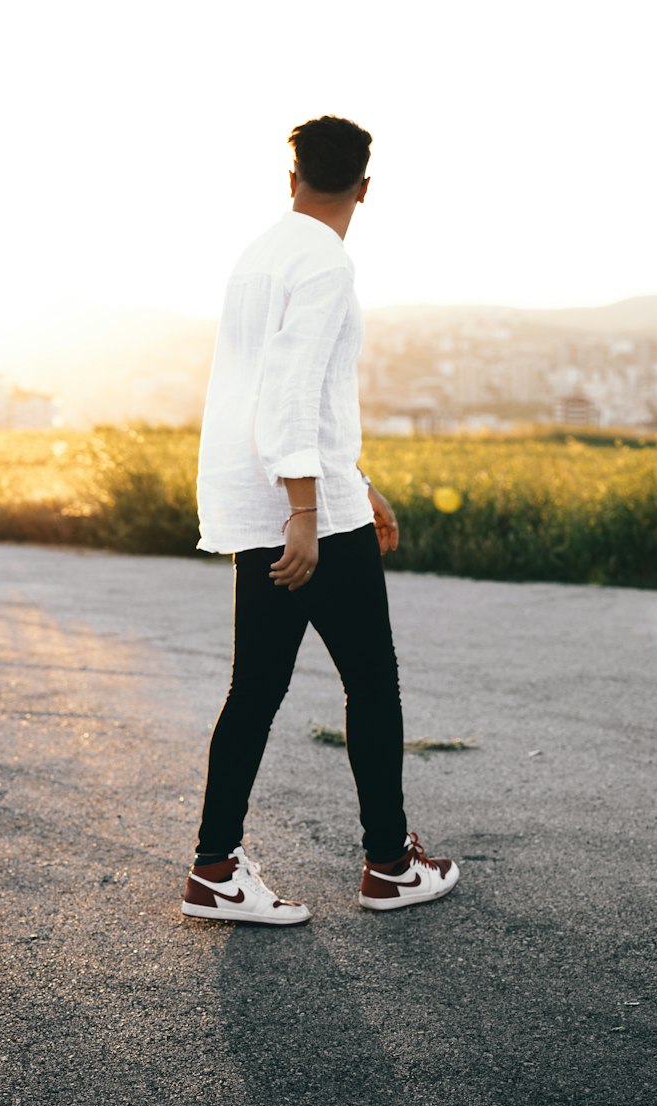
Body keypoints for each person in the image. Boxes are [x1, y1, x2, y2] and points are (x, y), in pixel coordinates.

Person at [182, 115, 459, 927]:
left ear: (291, 177)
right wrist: (308, 509)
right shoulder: (328, 263)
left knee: (256, 691)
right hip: (302, 512)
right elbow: (294, 389)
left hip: (284, 499)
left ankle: (214, 869)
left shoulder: (261, 254)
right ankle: (388, 865)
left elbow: (283, 391)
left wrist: (353, 484)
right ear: (364, 188)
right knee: (372, 682)